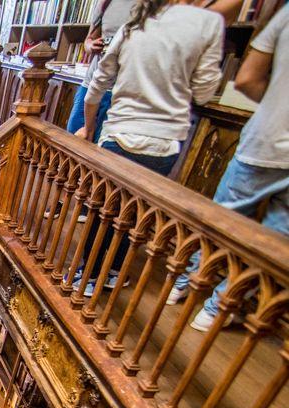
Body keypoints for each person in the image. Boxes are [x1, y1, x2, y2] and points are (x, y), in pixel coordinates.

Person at [73, 0, 223, 297]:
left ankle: (86, 274)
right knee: (136, 210)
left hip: (119, 133)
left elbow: (97, 86)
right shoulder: (207, 24)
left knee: (102, 208)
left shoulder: (133, 26)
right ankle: (113, 271)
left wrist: (89, 127)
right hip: (165, 141)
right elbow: (205, 92)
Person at [170, 3, 289, 332]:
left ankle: (184, 283)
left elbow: (247, 78)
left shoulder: (284, 14)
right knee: (274, 243)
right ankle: (218, 308)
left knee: (221, 223)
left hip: (267, 139)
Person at [65, 0, 138, 141]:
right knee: (73, 136)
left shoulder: (150, 7)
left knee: (101, 143)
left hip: (120, 90)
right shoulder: (106, 3)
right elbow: (89, 39)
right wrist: (90, 45)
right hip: (91, 83)